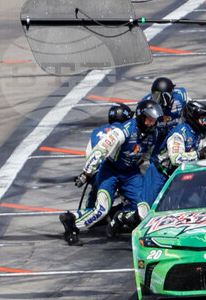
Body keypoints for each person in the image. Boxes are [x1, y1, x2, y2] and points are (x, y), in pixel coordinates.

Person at [58, 99, 163, 245]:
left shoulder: (154, 133)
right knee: (101, 209)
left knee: (144, 206)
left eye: (154, 120)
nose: (152, 124)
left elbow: (149, 154)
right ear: (140, 117)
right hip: (110, 171)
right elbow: (100, 150)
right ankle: (71, 224)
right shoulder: (122, 132)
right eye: (150, 120)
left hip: (132, 173)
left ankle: (119, 219)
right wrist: (86, 173)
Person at [135, 100, 206, 226]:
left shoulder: (198, 133)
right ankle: (123, 218)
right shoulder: (179, 133)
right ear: (193, 118)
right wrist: (198, 155)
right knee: (145, 213)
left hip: (176, 177)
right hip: (159, 174)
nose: (204, 122)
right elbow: (176, 159)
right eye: (202, 119)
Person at [141, 76, 188, 145]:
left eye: (162, 96)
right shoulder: (146, 104)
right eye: (155, 96)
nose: (157, 100)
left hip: (175, 134)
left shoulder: (180, 96)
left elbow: (190, 109)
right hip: (156, 137)